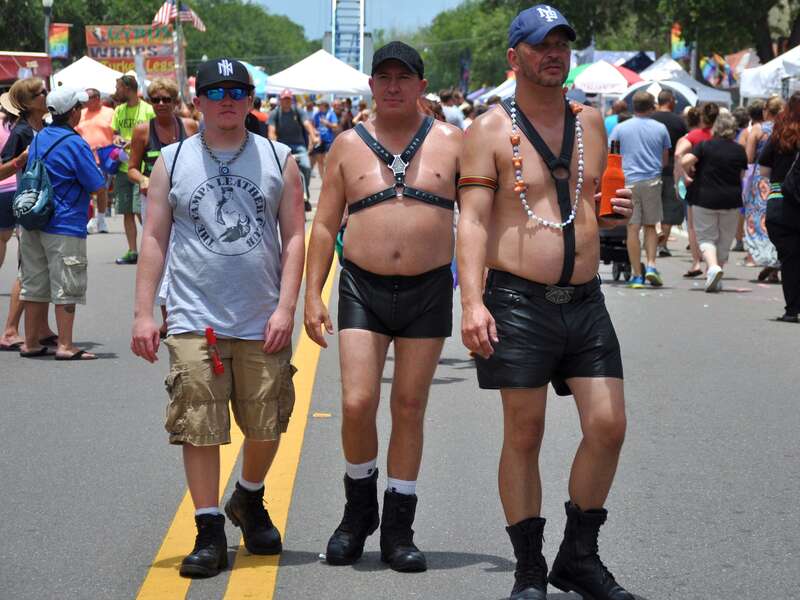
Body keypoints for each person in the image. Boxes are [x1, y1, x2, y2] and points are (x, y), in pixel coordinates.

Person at [456, 6, 635, 599]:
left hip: (585, 299)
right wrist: (473, 303)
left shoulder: (592, 121)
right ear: (515, 57)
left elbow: (590, 201)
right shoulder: (486, 131)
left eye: (561, 43)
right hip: (517, 301)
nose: (553, 53)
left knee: (608, 426)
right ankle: (529, 568)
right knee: (525, 433)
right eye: (540, 45)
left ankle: (578, 557)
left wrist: (615, 214)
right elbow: (475, 223)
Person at [131, 58, 305, 577]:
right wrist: (144, 312)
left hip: (261, 315)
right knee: (199, 427)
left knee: (268, 422)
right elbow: (155, 238)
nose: (228, 99)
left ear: (252, 100)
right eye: (216, 91)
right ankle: (208, 528)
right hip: (193, 314)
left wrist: (286, 307)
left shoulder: (280, 158)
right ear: (199, 101)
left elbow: (295, 237)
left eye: (238, 90)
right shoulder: (172, 160)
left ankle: (248, 497)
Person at [304, 41, 462, 573]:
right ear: (372, 85)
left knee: (410, 408)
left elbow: (489, 215)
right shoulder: (347, 145)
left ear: (421, 85)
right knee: (356, 402)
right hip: (361, 288)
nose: (393, 85)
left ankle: (399, 527)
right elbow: (324, 224)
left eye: (404, 77)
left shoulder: (453, 142)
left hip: (429, 289)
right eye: (384, 77)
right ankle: (357, 511)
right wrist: (311, 294)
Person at [18, 86, 106, 360]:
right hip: (64, 223)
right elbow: (96, 183)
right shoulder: (75, 143)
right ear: (73, 112)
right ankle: (66, 345)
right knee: (66, 285)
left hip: (33, 220)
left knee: (34, 285)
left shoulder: (41, 137)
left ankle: (30, 342)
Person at [126, 78, 198, 338]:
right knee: (163, 257)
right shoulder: (143, 131)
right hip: (155, 200)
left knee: (187, 252)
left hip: (185, 198)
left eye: (166, 99)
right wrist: (144, 179)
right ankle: (168, 318)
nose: (161, 104)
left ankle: (185, 311)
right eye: (155, 99)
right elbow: (132, 167)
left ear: (175, 102)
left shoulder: (190, 127)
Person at [0, 78, 58, 352]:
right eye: (40, 93)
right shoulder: (21, 131)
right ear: (27, 103)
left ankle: (42, 328)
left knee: (43, 268)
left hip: (44, 205)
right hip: (27, 205)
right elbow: (2, 169)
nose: (45, 96)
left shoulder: (45, 128)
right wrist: (18, 161)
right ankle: (10, 330)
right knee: (28, 269)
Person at [680, 112, 748, 292]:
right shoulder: (739, 150)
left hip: (704, 197)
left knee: (706, 237)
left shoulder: (705, 146)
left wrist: (689, 172)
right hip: (731, 199)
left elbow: (685, 160)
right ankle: (717, 275)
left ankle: (712, 268)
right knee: (725, 239)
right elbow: (741, 175)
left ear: (716, 128)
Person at [610, 91, 670, 288]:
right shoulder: (661, 128)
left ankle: (637, 275)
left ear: (633, 106)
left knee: (632, 228)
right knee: (651, 226)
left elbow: (612, 156)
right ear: (652, 106)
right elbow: (665, 160)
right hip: (652, 180)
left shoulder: (620, 128)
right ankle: (651, 266)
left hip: (628, 181)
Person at [758, 91, 800, 322]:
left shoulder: (779, 134)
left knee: (790, 258)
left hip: (781, 203)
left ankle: (792, 310)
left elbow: (764, 170)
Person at [111, 75, 155, 265]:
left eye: (118, 87)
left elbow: (154, 135)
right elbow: (115, 133)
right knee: (127, 210)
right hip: (122, 167)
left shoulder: (147, 110)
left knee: (141, 211)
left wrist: (135, 142)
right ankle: (132, 250)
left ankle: (153, 248)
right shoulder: (119, 110)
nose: (116, 91)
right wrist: (117, 140)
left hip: (142, 169)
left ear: (128, 88)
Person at [675, 102, 719, 279]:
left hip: (697, 184)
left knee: (693, 226)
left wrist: (683, 176)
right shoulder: (721, 136)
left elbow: (678, 154)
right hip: (719, 183)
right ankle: (714, 262)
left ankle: (696, 262)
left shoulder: (694, 136)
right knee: (716, 225)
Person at [744, 97, 782, 281]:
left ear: (766, 110)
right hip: (780, 177)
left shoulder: (758, 130)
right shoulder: (785, 129)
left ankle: (769, 260)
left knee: (759, 221)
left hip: (760, 180)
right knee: (776, 221)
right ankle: (776, 263)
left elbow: (749, 158)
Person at [649, 90, 688, 257]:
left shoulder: (650, 120)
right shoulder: (679, 122)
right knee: (670, 207)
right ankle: (663, 245)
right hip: (672, 169)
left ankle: (654, 235)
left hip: (650, 169)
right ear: (670, 101)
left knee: (652, 205)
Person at [269, 89, 318, 207]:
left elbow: (307, 124)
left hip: (299, 146)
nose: (286, 101)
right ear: (280, 100)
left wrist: (313, 137)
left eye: (288, 99)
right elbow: (271, 130)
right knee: (278, 171)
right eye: (284, 99)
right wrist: (272, 142)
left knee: (306, 167)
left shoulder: (298, 111)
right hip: (282, 146)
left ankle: (306, 197)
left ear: (291, 100)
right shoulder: (275, 113)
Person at [76, 88, 113, 234]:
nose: (85, 101)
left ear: (97, 98)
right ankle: (91, 218)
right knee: (87, 190)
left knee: (101, 189)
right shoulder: (80, 114)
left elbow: (116, 133)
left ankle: (101, 218)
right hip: (84, 157)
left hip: (104, 157)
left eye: (88, 98)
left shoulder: (110, 112)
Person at [310, 100, 338, 179]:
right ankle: (323, 181)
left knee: (327, 161)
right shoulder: (317, 115)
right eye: (318, 105)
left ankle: (328, 179)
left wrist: (326, 123)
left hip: (328, 140)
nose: (319, 107)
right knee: (319, 161)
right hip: (319, 140)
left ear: (325, 105)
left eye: (320, 105)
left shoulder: (331, 114)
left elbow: (335, 126)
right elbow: (313, 126)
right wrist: (315, 132)